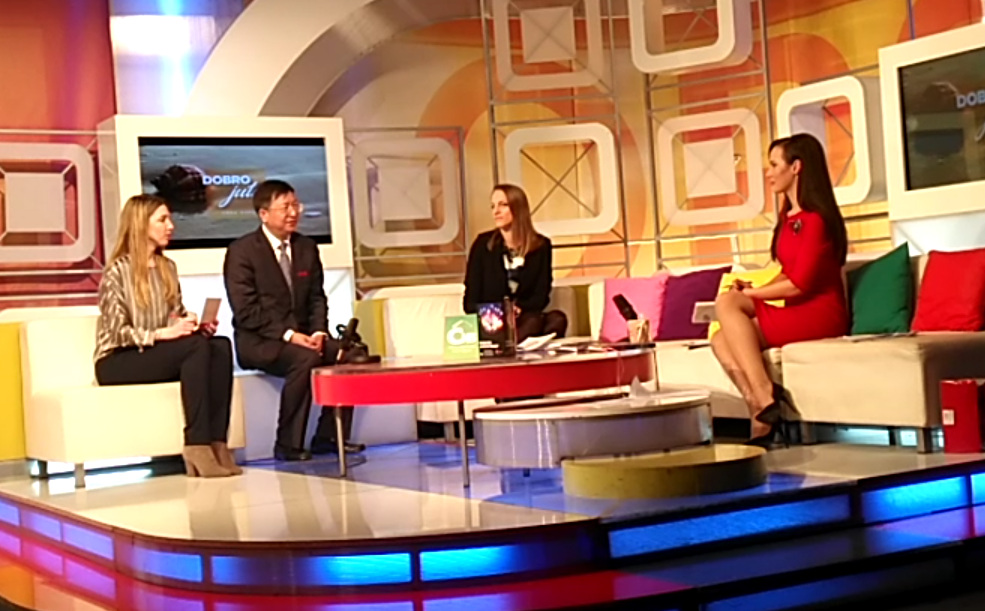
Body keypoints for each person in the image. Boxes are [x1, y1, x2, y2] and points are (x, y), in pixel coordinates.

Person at [711, 133, 849, 448]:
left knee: (729, 302)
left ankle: (764, 394)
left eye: (774, 165)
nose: (768, 173)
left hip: (820, 314)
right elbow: (788, 273)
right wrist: (756, 288)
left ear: (796, 167)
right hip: (798, 308)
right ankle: (760, 412)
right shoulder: (789, 219)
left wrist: (749, 296)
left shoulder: (817, 221)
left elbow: (800, 285)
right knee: (719, 338)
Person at [94, 194, 237, 478]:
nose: (171, 226)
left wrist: (191, 324)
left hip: (153, 351)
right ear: (140, 224)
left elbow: (175, 315)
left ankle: (217, 443)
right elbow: (117, 332)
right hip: (117, 359)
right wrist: (164, 333)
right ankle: (196, 444)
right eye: (162, 219)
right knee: (195, 348)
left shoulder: (166, 267)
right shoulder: (116, 272)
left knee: (219, 346)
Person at [223, 180, 362, 462]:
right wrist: (289, 335)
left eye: (295, 205)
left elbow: (317, 298)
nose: (293, 212)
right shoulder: (242, 251)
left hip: (304, 336)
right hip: (260, 341)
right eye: (285, 207)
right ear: (264, 214)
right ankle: (287, 443)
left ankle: (329, 436)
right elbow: (245, 310)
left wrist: (319, 331)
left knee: (350, 355)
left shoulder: (306, 247)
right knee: (305, 358)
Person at [463, 183, 567, 342]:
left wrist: (519, 309)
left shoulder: (541, 246)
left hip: (523, 317)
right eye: (493, 206)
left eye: (503, 205)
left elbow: (541, 293)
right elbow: (470, 300)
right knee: (534, 324)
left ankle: (514, 343)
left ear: (518, 208)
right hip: (492, 320)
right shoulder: (482, 245)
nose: (496, 211)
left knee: (557, 319)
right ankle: (513, 344)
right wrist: (499, 312)